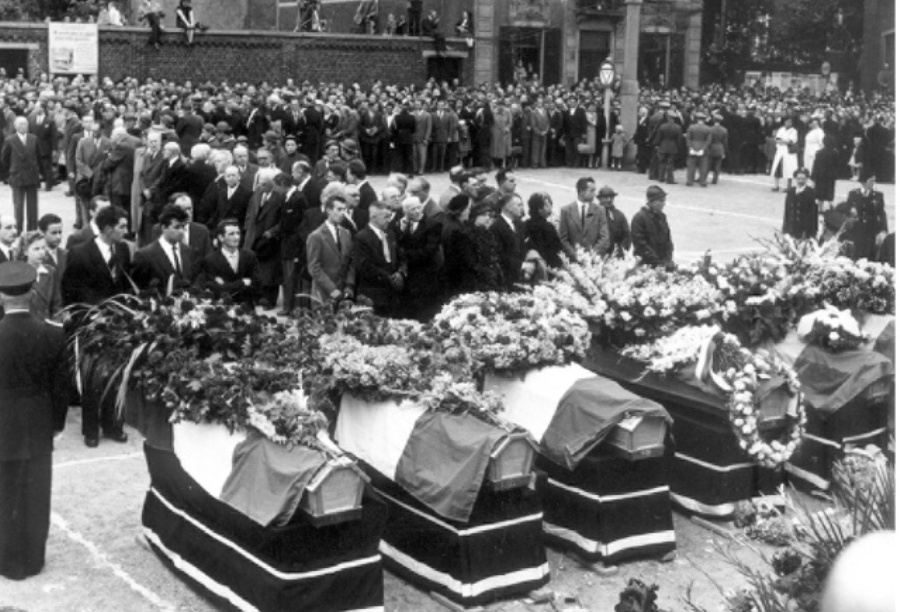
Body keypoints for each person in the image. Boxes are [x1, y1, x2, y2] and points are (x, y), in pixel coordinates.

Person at [0, 261, 69, 580]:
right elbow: (61, 388)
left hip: (4, 425)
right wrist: (55, 424)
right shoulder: (53, 334)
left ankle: (8, 561)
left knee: (5, 494)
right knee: (37, 494)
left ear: (1, 297)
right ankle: (33, 558)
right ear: (32, 292)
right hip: (39, 422)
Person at [60, 205, 132, 447]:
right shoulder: (79, 253)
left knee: (115, 375)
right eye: (122, 226)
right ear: (109, 228)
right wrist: (87, 317)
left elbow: (124, 286)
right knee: (92, 379)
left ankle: (113, 425)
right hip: (91, 326)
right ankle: (91, 430)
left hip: (117, 324)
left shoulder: (122, 250)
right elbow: (69, 290)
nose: (126, 230)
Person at [352, 201, 405, 317]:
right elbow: (364, 265)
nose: (388, 220)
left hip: (392, 293)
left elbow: (401, 257)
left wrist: (400, 273)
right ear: (373, 217)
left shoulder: (391, 234)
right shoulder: (361, 237)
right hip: (373, 292)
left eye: (389, 217)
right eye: (386, 217)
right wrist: (389, 277)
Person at [396, 196, 443, 321]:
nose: (417, 211)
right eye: (412, 209)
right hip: (410, 275)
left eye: (418, 207)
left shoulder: (433, 224)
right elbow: (398, 243)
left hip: (426, 273)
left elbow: (429, 250)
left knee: (426, 308)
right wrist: (401, 229)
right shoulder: (405, 225)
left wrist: (405, 254)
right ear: (405, 212)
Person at [242, 169, 284, 307]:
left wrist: (272, 232)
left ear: (272, 184)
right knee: (256, 269)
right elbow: (249, 212)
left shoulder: (280, 197)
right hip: (253, 236)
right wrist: (247, 228)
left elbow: (282, 220)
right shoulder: (257, 193)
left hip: (269, 239)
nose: (262, 186)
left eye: (265, 184)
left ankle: (270, 300)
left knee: (270, 271)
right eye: (260, 184)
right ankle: (258, 297)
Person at [132, 204, 197, 293]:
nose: (181, 231)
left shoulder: (188, 251)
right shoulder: (145, 255)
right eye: (177, 227)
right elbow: (140, 289)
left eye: (183, 227)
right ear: (163, 227)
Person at [306, 194, 354, 306]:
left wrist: (349, 285)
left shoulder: (346, 233)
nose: (343, 213)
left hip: (343, 293)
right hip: (323, 294)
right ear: (328, 210)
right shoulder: (316, 236)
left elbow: (350, 262)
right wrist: (332, 289)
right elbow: (314, 268)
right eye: (339, 209)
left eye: (345, 210)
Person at [199, 219, 260, 305]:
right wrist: (242, 283)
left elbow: (257, 285)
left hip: (246, 307)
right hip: (223, 307)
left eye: (238, 233)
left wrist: (228, 285)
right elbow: (216, 289)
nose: (236, 237)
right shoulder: (210, 260)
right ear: (221, 237)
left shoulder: (249, 256)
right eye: (231, 234)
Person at [1, 117, 42, 232]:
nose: (22, 126)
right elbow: (4, 158)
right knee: (18, 207)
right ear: (15, 126)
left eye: (24, 124)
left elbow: (38, 157)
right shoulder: (10, 140)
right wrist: (11, 171)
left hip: (32, 176)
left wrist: (40, 173)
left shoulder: (33, 139)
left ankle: (32, 230)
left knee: (33, 207)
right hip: (17, 177)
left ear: (28, 126)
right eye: (20, 124)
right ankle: (17, 231)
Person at [558, 177, 610, 261]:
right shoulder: (566, 211)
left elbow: (604, 238)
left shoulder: (600, 210)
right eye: (592, 191)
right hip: (572, 261)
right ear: (582, 192)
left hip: (594, 261)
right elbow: (563, 239)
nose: (595, 194)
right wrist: (574, 256)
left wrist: (592, 255)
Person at [843, 173, 889, 261]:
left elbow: (882, 214)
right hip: (856, 230)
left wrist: (884, 230)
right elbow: (847, 210)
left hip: (871, 230)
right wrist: (851, 212)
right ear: (864, 182)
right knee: (855, 255)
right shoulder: (853, 194)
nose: (873, 183)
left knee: (870, 256)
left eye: (874, 181)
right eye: (871, 180)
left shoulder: (878, 196)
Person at [18, 231, 61, 322]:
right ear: (25, 251)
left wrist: (55, 323)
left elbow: (57, 304)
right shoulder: (19, 274)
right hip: (27, 326)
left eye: (43, 248)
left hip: (48, 326)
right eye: (36, 249)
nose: (41, 252)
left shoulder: (50, 272)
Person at [490, 193, 530, 289]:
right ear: (508, 207)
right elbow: (500, 254)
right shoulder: (496, 227)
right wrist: (521, 265)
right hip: (506, 277)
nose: (522, 208)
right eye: (519, 205)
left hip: (521, 274)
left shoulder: (519, 224)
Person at [631, 185, 673, 268]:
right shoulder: (639, 218)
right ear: (651, 201)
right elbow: (640, 244)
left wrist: (668, 259)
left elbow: (668, 240)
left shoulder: (662, 217)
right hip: (645, 264)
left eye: (664, 200)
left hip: (663, 263)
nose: (663, 204)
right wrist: (656, 262)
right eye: (661, 201)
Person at [524, 192, 564, 269]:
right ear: (539, 209)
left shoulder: (525, 224)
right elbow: (557, 249)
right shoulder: (548, 227)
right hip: (548, 266)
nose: (550, 208)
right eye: (547, 206)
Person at [28, 102, 58, 192]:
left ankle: (49, 184)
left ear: (42, 108)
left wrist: (54, 149)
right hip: (34, 146)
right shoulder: (31, 119)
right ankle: (36, 183)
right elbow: (29, 134)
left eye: (37, 108)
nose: (35, 110)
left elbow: (54, 136)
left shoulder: (49, 120)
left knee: (46, 166)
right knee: (35, 166)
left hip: (46, 147)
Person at [782, 168, 818, 240]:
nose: (800, 181)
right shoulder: (791, 192)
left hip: (804, 230)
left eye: (803, 178)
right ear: (795, 178)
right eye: (798, 178)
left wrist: (813, 233)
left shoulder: (811, 193)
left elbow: (814, 214)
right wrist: (785, 228)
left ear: (807, 179)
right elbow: (787, 211)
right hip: (791, 228)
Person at [597, 185, 631, 258]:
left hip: (616, 257)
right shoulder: (593, 215)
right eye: (605, 197)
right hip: (597, 257)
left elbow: (626, 237)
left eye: (611, 197)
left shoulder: (619, 216)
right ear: (599, 199)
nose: (609, 200)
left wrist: (619, 253)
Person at [812, 134, 840, 211]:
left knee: (820, 190)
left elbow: (815, 165)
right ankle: (830, 205)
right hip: (830, 175)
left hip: (820, 175)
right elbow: (837, 165)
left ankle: (820, 207)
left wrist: (813, 176)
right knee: (830, 189)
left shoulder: (819, 153)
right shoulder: (835, 153)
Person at [771, 117, 799, 192]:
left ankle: (788, 186)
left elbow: (791, 141)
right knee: (777, 167)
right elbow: (777, 139)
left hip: (788, 151)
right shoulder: (781, 129)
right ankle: (776, 185)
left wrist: (783, 141)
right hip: (780, 150)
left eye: (790, 122)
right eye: (787, 121)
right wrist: (782, 141)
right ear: (784, 122)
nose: (788, 123)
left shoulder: (794, 131)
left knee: (789, 168)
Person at [685, 112, 711, 187]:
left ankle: (690, 181)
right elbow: (708, 141)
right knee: (703, 166)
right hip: (703, 147)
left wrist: (690, 147)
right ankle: (702, 181)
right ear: (704, 120)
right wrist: (703, 149)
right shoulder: (708, 128)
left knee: (691, 166)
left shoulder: (691, 127)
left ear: (697, 119)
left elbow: (688, 139)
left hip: (693, 146)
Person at [707, 113, 728, 185]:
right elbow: (725, 142)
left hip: (711, 148)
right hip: (720, 147)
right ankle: (715, 180)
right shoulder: (724, 130)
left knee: (708, 164)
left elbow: (708, 140)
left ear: (714, 120)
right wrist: (724, 151)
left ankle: (704, 177)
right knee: (717, 165)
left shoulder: (710, 129)